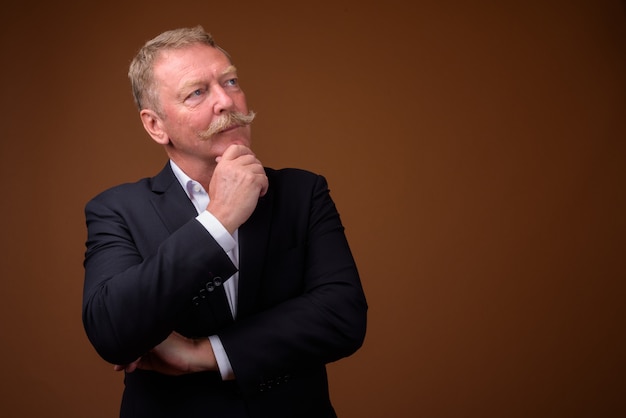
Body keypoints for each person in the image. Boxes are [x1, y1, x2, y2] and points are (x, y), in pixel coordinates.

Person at [82, 25, 367, 418]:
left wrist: (204, 354)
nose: (225, 101)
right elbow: (112, 333)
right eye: (197, 92)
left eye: (230, 81)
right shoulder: (116, 209)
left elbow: (342, 316)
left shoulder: (303, 192)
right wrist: (219, 220)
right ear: (155, 125)